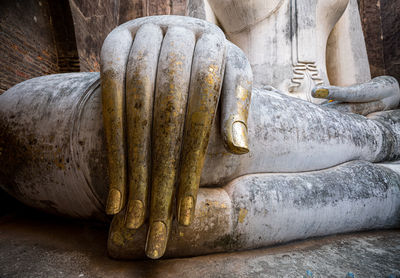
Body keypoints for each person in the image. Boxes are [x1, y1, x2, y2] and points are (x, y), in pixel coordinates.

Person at [0, 0, 399, 259]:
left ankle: (374, 157)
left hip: (334, 118)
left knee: (383, 151)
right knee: (159, 129)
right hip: (247, 109)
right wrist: (167, 37)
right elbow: (200, 53)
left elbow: (354, 85)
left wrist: (387, 92)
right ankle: (368, 172)